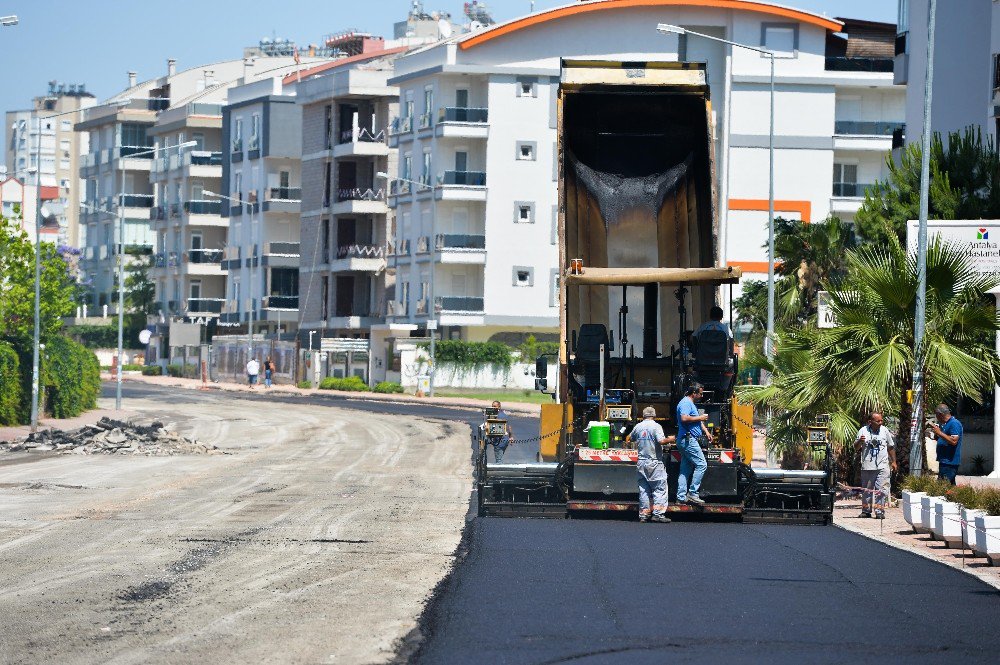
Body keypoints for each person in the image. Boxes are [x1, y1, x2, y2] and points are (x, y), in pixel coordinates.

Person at [627, 406, 676, 523]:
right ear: (654, 415)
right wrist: (672, 438)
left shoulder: (638, 426)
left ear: (643, 415)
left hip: (641, 462)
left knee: (644, 489)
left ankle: (644, 515)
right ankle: (658, 514)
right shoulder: (656, 426)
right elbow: (661, 441)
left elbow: (630, 438)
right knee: (659, 488)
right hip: (654, 462)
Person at [675, 382, 711, 506]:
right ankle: (693, 493)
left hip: (686, 439)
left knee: (685, 469)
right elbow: (684, 418)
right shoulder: (685, 403)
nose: (701, 396)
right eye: (700, 393)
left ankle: (681, 497)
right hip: (688, 440)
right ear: (694, 393)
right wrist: (701, 418)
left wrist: (706, 431)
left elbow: (695, 420)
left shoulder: (691, 404)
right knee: (701, 464)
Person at [855, 412, 897, 519]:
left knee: (882, 490)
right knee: (867, 490)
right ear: (870, 422)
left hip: (882, 465)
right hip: (868, 466)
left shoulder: (884, 430)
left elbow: (890, 446)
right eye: (878, 421)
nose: (880, 423)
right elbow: (856, 447)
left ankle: (879, 511)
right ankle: (866, 510)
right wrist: (860, 441)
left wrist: (893, 461)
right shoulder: (863, 431)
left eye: (881, 420)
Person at [929, 403, 963, 485]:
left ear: (940, 414)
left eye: (936, 415)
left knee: (942, 486)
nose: (936, 417)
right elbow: (946, 439)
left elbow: (954, 441)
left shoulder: (954, 423)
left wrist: (939, 433)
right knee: (950, 487)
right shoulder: (946, 424)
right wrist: (937, 436)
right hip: (944, 461)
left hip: (949, 462)